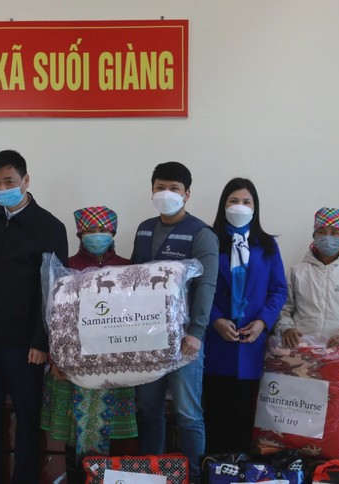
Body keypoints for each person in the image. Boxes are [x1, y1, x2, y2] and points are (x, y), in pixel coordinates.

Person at [0, 149, 68, 483]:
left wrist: (41, 340)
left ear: (26, 180)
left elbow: (54, 289)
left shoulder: (50, 226)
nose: (2, 188)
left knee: (27, 419)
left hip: (26, 344)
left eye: (8, 181)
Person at [131, 162, 219, 483]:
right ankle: (151, 475)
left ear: (187, 194)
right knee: (148, 409)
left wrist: (197, 331)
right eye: (160, 187)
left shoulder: (201, 234)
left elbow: (206, 285)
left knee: (187, 413)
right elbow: (133, 280)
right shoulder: (144, 229)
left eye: (174, 188)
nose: (166, 194)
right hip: (147, 337)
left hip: (184, 339)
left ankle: (194, 477)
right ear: (152, 190)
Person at [41, 206, 136, 484]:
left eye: (103, 229)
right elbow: (54, 317)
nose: (97, 235)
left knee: (114, 435)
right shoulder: (65, 267)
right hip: (74, 365)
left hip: (117, 368)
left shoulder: (129, 268)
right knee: (75, 432)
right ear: (80, 233)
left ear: (113, 232)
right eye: (91, 230)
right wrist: (55, 360)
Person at [203, 177, 287, 454]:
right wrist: (215, 318)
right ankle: (212, 468)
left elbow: (278, 290)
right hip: (215, 341)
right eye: (233, 201)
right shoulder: (208, 240)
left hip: (251, 343)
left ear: (255, 207)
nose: (240, 206)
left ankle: (239, 470)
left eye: (246, 202)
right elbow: (195, 287)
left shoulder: (267, 245)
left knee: (243, 417)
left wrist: (263, 322)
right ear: (223, 205)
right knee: (214, 415)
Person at [276, 207, 339, 349]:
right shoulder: (297, 272)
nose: (327, 237)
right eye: (322, 232)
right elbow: (282, 307)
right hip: (301, 348)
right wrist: (286, 327)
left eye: (335, 233)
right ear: (314, 236)